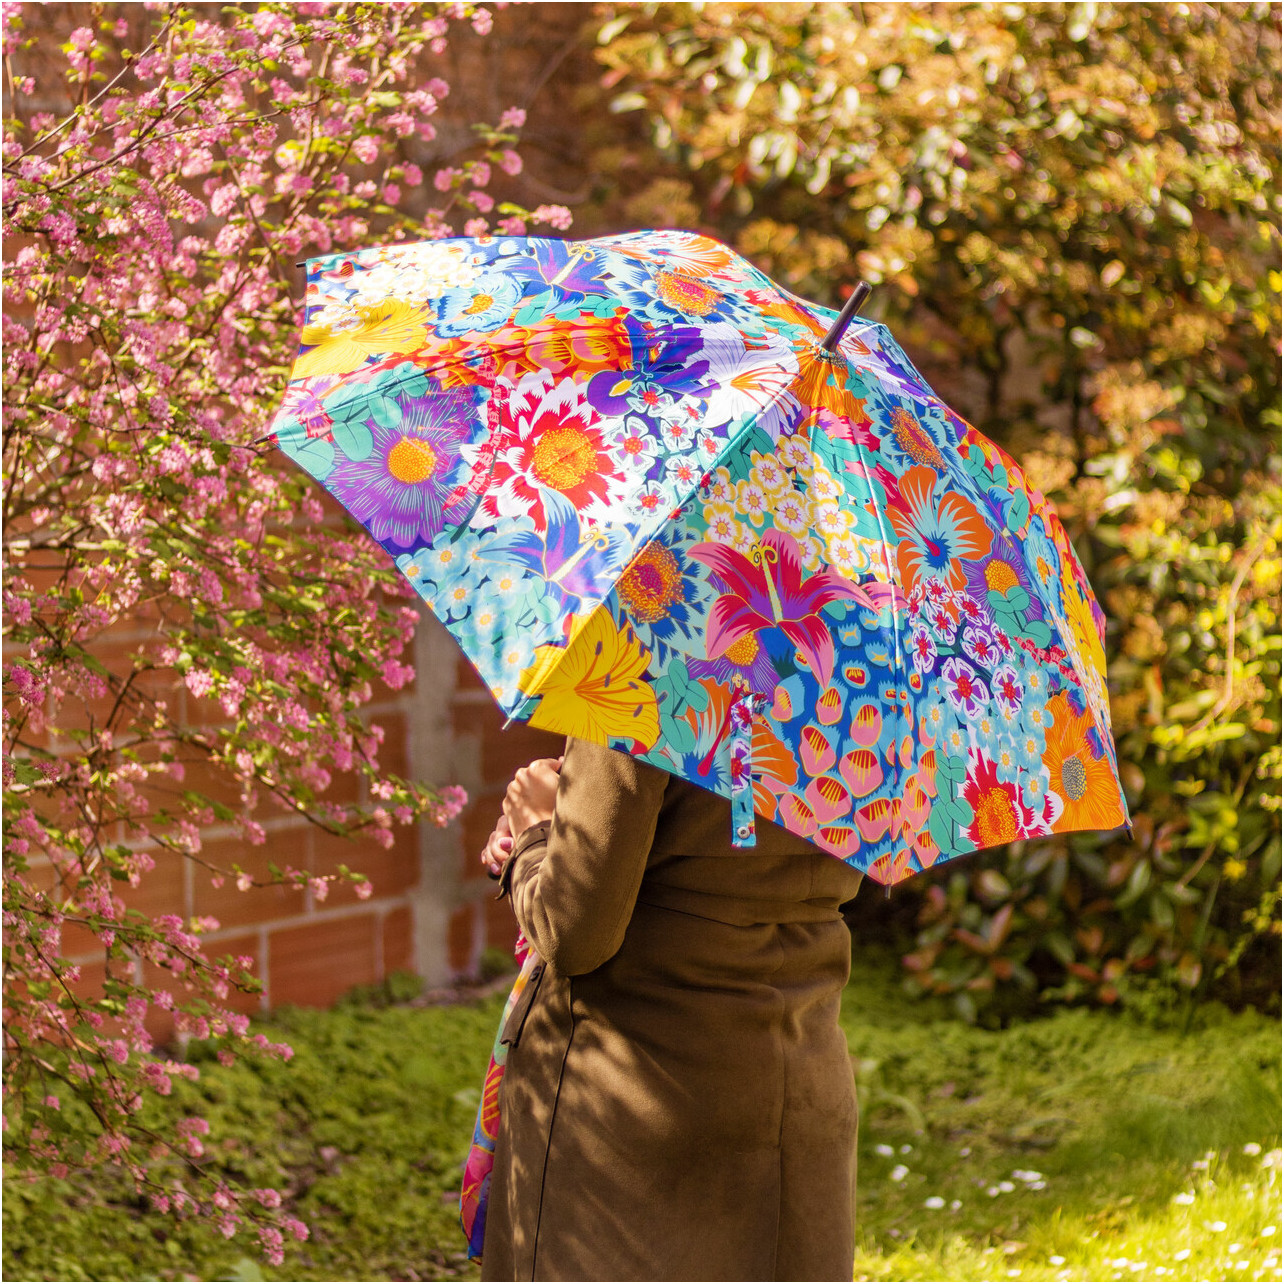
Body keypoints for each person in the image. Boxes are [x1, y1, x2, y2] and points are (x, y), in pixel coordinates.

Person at [477, 736, 864, 1282]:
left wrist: (534, 833)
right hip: (803, 1084)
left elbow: (573, 933)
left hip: (634, 1095)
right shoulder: (866, 678)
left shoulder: (642, 668)